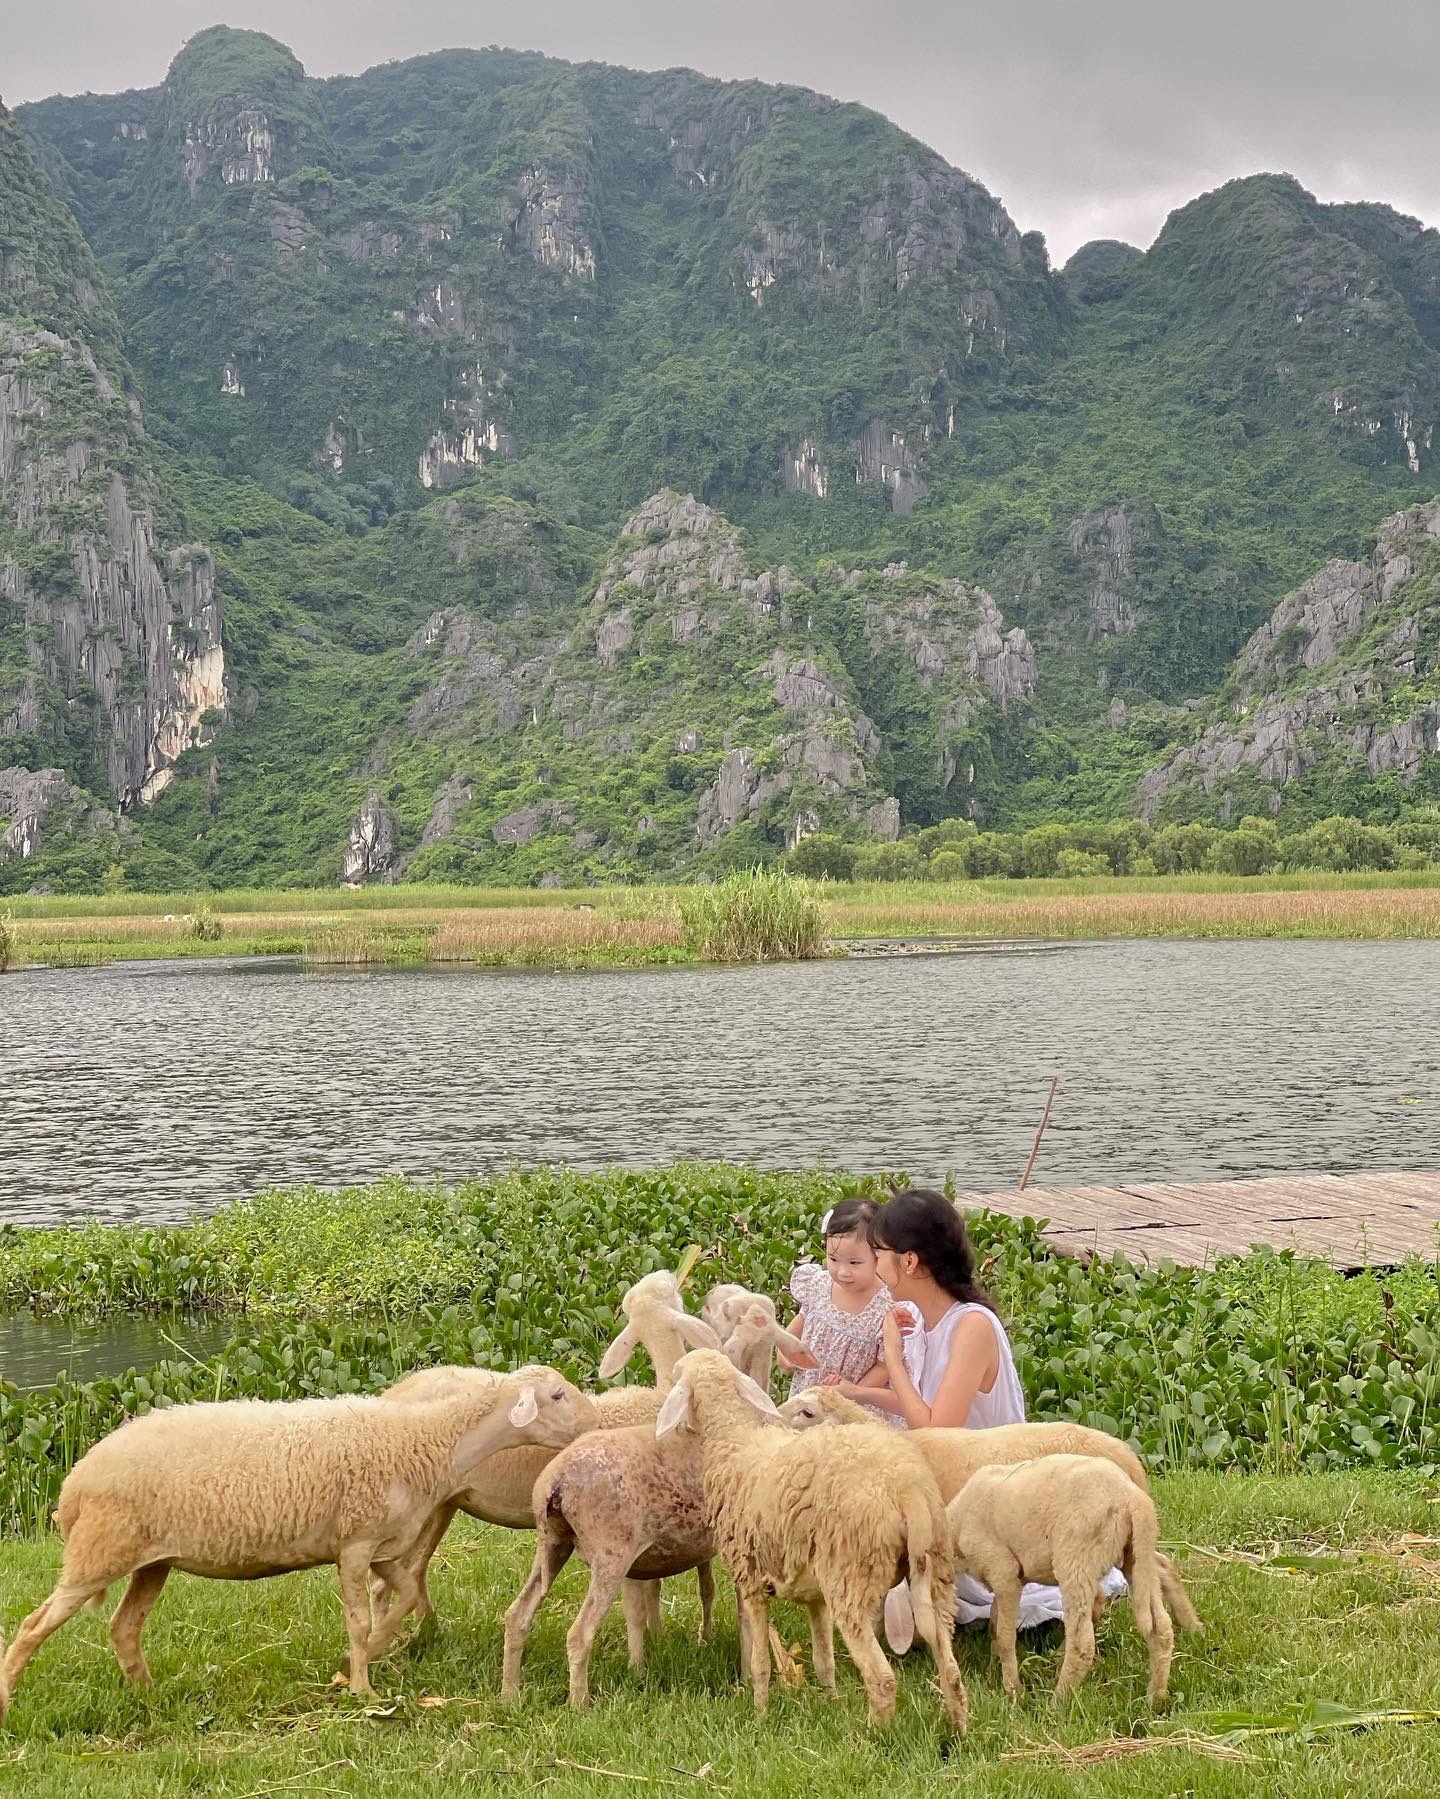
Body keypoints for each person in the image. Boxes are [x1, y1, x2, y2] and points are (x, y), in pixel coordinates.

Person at [841, 1187, 1125, 1651]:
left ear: (909, 1262)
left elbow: (938, 1431)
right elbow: (920, 1405)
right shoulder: (919, 1319)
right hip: (946, 1474)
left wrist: (891, 1358)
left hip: (987, 1490)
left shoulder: (971, 1325)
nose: (874, 1262)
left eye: (879, 1252)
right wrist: (857, 1395)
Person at [781, 1197, 905, 1426]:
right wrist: (785, 1349)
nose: (842, 1272)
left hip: (853, 1406)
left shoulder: (886, 1306)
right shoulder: (818, 1284)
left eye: (855, 1263)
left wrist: (853, 1392)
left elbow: (884, 1365)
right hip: (809, 1393)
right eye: (833, 1259)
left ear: (880, 1255)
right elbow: (802, 1319)